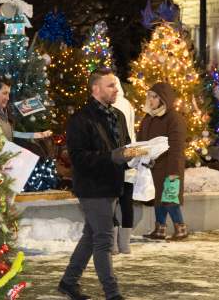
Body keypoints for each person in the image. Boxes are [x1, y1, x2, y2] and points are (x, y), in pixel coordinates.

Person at [58, 68, 140, 300]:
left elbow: (124, 148)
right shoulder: (80, 119)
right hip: (92, 188)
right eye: (110, 85)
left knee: (91, 235)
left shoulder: (118, 116)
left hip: (113, 185)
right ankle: (112, 294)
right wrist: (112, 157)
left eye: (116, 85)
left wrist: (141, 157)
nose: (116, 90)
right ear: (96, 89)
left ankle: (68, 282)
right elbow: (78, 158)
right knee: (104, 239)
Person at [138, 82, 188, 241]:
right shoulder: (148, 118)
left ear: (163, 99)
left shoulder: (174, 119)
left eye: (155, 97)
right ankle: (159, 228)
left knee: (169, 198)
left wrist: (174, 171)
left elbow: (177, 147)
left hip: (169, 166)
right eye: (149, 96)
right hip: (153, 166)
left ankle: (181, 228)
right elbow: (141, 141)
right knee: (158, 198)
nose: (151, 100)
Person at [111, 78, 137, 254]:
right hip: (130, 157)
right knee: (127, 202)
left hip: (116, 160)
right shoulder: (127, 104)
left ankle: (112, 245)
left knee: (111, 202)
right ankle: (125, 245)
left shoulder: (112, 107)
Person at [0, 75, 52, 141]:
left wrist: (37, 135)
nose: (8, 98)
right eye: (4, 93)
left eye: (8, 94)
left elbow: (9, 134)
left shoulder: (3, 110)